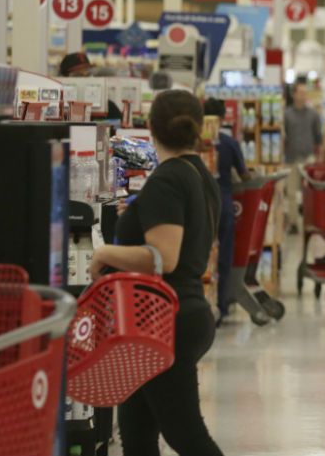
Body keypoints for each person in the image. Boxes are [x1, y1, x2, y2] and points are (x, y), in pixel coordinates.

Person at [87, 90, 223, 456]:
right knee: (137, 435)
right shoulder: (199, 174)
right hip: (167, 318)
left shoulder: (168, 180)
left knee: (187, 437)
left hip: (165, 320)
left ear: (150, 126)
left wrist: (104, 253)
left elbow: (164, 257)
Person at [203, 98, 251, 325]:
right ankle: (220, 307)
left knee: (201, 256)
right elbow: (244, 175)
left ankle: (203, 306)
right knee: (222, 258)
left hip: (201, 202)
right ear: (223, 118)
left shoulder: (197, 143)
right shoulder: (230, 142)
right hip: (223, 203)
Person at [284, 82, 322, 232]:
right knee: (291, 192)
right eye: (300, 92)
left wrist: (319, 158)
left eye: (305, 93)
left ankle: (310, 222)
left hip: (309, 158)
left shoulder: (313, 114)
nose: (303, 96)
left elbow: (318, 137)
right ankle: (293, 223)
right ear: (293, 94)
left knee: (309, 192)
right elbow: (284, 136)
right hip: (291, 158)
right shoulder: (286, 114)